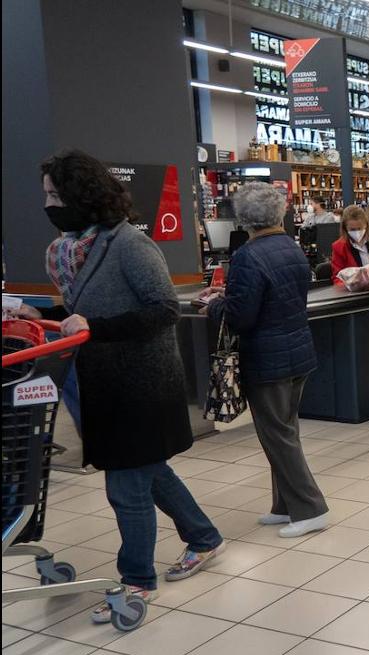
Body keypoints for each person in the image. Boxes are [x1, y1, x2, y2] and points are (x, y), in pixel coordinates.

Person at [17, 150, 224, 622]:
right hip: (103, 385)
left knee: (126, 487)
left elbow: (163, 309)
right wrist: (42, 316)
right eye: (46, 194)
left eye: (55, 194)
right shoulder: (69, 252)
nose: (48, 204)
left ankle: (135, 581)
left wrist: (95, 327)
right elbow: (79, 314)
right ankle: (205, 537)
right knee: (150, 473)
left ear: (81, 196)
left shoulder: (129, 244)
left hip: (143, 385)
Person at [203, 183, 328, 539]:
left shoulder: (248, 256)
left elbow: (242, 316)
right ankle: (284, 504)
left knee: (277, 435)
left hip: (267, 357)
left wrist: (214, 305)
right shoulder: (291, 247)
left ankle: (311, 508)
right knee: (286, 431)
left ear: (243, 219)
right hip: (298, 350)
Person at [331, 204, 369, 288]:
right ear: (345, 228)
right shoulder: (339, 247)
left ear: (366, 226)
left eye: (360, 228)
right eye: (352, 229)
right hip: (354, 294)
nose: (357, 232)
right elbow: (337, 278)